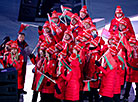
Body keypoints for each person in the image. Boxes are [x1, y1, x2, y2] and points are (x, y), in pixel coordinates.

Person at [123, 35, 138, 102]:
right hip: (130, 69)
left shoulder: (136, 49)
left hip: (136, 70)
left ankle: (137, 97)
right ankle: (126, 96)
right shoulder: (129, 48)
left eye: (132, 43)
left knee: (137, 84)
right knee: (128, 84)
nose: (130, 45)